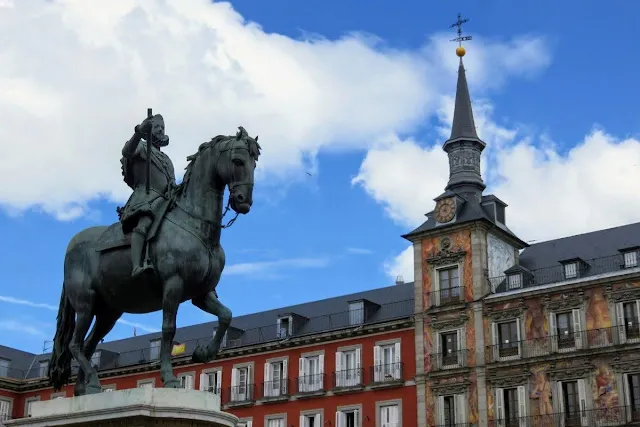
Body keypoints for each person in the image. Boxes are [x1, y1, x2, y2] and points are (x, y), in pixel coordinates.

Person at [119, 114, 176, 278]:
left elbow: (172, 182)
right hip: (145, 198)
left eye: (163, 127)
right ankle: (136, 265)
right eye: (157, 126)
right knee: (144, 223)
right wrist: (138, 132)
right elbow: (127, 152)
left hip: (165, 202)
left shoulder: (167, 160)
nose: (161, 130)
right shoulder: (141, 147)